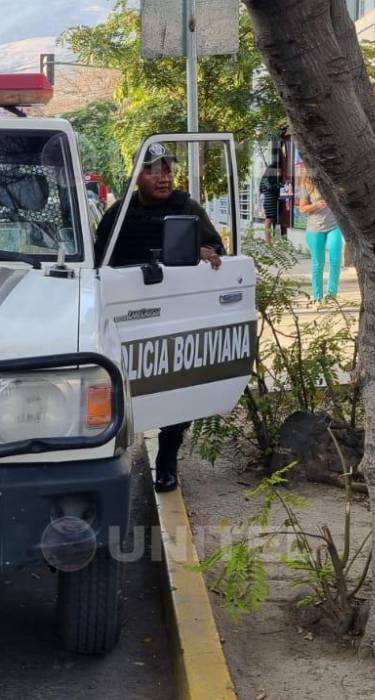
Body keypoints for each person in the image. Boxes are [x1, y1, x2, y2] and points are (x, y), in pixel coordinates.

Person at [93, 143, 226, 493]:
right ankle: (110, 459)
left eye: (166, 170)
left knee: (175, 388)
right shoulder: (120, 212)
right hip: (126, 310)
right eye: (153, 170)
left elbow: (218, 252)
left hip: (173, 310)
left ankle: (167, 461)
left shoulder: (186, 208)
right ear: (138, 176)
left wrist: (205, 252)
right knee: (118, 387)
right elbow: (96, 259)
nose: (162, 177)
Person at [296, 172, 343, 301]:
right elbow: (302, 208)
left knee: (335, 259)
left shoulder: (332, 177)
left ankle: (332, 294)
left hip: (334, 225)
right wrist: (316, 205)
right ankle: (317, 296)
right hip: (315, 228)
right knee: (318, 263)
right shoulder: (307, 182)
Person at [259, 171, 280, 237]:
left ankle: (269, 240)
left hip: (270, 202)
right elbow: (270, 188)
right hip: (269, 202)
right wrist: (278, 185)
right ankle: (268, 241)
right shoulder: (266, 179)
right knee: (269, 220)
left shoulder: (265, 179)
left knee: (270, 220)